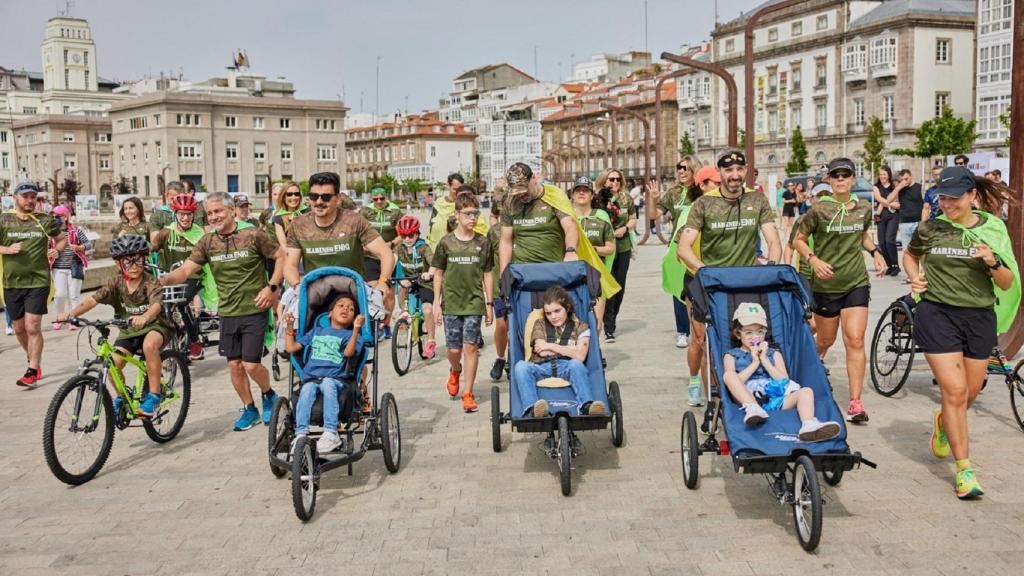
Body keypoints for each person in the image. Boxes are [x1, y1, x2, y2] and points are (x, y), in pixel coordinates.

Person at [902, 167, 1019, 499]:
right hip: (936, 313)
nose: (948, 204)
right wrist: (914, 277)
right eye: (943, 197)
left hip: (979, 316)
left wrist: (992, 261)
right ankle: (965, 470)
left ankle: (944, 423)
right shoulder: (931, 227)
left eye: (954, 198)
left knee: (969, 393)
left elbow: (1007, 282)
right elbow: (910, 255)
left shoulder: (993, 229)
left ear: (972, 196)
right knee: (953, 391)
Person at [160, 192, 285, 432]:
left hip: (254, 308)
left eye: (218, 211)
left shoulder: (253, 235)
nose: (214, 216)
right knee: (234, 365)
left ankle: (268, 394)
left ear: (231, 211)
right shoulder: (208, 242)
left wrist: (272, 287)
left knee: (250, 365)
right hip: (227, 311)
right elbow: (185, 270)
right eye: (210, 213)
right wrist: (164, 280)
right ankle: (250, 409)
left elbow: (280, 256)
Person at [678, 150, 782, 407]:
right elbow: (684, 248)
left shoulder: (756, 199)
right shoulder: (704, 204)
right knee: (706, 342)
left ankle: (747, 393)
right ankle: (714, 401)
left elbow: (773, 241)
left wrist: (771, 267)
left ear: (745, 170)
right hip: (713, 284)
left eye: (739, 169)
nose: (734, 175)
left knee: (748, 339)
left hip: (746, 282)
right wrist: (705, 271)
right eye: (728, 170)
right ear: (720, 173)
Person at [792, 158, 887, 424]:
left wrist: (875, 252)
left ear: (854, 179)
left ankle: (855, 402)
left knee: (855, 339)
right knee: (825, 339)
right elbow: (798, 240)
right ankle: (808, 367)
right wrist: (813, 260)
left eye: (846, 175)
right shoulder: (818, 209)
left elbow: (862, 235)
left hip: (856, 282)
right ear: (829, 180)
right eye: (836, 175)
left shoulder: (864, 207)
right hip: (825, 285)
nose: (841, 179)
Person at [56, 235, 170, 417]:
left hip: (156, 325)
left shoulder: (150, 281)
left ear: (144, 259)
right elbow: (92, 300)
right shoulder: (115, 283)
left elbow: (156, 304)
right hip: (129, 331)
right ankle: (122, 398)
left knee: (149, 346)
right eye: (128, 262)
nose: (134, 266)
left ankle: (154, 396)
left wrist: (145, 316)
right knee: (111, 366)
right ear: (118, 264)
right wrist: (71, 314)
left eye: (138, 260)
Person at [722, 302, 841, 442]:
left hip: (775, 399)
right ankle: (753, 407)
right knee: (729, 375)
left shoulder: (773, 354)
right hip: (747, 399)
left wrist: (765, 360)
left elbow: (784, 381)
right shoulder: (732, 355)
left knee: (806, 391)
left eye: (760, 331)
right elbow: (733, 382)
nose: (755, 337)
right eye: (748, 332)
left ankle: (808, 424)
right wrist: (754, 363)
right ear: (738, 334)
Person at [432, 192, 494, 413]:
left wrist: (489, 304)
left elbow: (488, 273)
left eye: (476, 213)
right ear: (457, 214)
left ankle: (468, 393)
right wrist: (436, 303)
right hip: (451, 302)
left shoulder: (483, 243)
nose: (473, 218)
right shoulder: (446, 243)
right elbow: (438, 273)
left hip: (474, 302)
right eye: (468, 214)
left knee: (471, 347)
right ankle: (455, 369)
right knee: (453, 349)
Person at [0, 181, 66, 386]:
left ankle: (32, 370)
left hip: (38, 281)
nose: (30, 200)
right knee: (19, 328)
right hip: (12, 282)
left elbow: (62, 239)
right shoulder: (4, 219)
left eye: (33, 197)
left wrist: (57, 250)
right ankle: (31, 357)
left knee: (32, 326)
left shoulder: (44, 219)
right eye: (25, 196)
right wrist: (7, 250)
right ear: (15, 198)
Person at [283, 172, 394, 291]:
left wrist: (383, 282)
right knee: (287, 302)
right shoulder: (298, 224)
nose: (319, 202)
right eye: (314, 196)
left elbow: (386, 254)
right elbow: (290, 266)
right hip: (315, 292)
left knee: (380, 299)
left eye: (326, 197)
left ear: (338, 199)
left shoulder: (355, 221)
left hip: (353, 290)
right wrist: (298, 286)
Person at [283, 295, 365, 453]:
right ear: (330, 313)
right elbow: (291, 348)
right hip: (312, 378)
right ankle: (301, 433)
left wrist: (356, 330)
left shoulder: (352, 336)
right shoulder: (317, 331)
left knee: (328, 383)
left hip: (336, 378)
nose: (346, 309)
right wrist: (290, 327)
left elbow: (348, 353)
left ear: (354, 317)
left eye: (351, 309)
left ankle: (331, 432)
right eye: (341, 305)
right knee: (306, 389)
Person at [513, 285, 604, 418]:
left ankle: (587, 405)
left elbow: (580, 356)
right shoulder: (540, 324)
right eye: (548, 313)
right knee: (520, 367)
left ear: (567, 308)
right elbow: (541, 351)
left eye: (557, 311)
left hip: (567, 366)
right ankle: (533, 409)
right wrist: (571, 349)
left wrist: (550, 346)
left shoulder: (581, 327)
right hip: (540, 366)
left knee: (576, 365)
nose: (553, 317)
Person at [150, 193, 207, 360]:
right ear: (175, 214)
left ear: (193, 215)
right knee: (159, 305)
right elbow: (150, 250)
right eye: (182, 214)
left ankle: (195, 341)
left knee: (181, 303)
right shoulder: (166, 233)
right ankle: (175, 331)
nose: (185, 218)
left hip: (193, 277)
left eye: (189, 214)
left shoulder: (200, 234)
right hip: (169, 276)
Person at [654, 158, 699, 348]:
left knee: (698, 287)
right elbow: (654, 215)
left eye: (685, 168)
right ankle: (683, 331)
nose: (681, 172)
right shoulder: (673, 193)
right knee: (678, 288)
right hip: (677, 245)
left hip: (700, 245)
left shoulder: (702, 191)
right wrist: (654, 198)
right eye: (679, 168)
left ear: (694, 170)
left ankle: (700, 328)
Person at [596, 168, 637, 343]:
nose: (615, 182)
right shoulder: (598, 198)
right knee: (608, 286)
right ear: (604, 181)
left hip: (623, 247)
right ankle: (609, 327)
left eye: (618, 179)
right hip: (605, 249)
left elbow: (633, 219)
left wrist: (625, 228)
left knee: (619, 287)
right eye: (611, 179)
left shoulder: (626, 198)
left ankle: (611, 317)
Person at [572, 176, 615, 338]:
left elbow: (610, 248)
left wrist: (592, 250)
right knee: (575, 322)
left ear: (591, 195)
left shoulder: (601, 216)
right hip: (573, 275)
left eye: (585, 190)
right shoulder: (567, 217)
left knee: (596, 323)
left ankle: (595, 351)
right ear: (573, 195)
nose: (581, 193)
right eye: (578, 190)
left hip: (597, 275)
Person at [394, 215, 437, 358]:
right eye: (403, 236)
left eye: (411, 235)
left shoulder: (423, 248)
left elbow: (434, 263)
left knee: (427, 310)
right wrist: (385, 276)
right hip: (410, 281)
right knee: (401, 287)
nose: (407, 239)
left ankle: (431, 341)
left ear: (417, 234)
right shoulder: (399, 248)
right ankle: (404, 314)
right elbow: (392, 260)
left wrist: (429, 273)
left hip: (425, 282)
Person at [49, 205, 91, 331]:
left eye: (57, 216)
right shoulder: (51, 233)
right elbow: (46, 248)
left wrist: (79, 247)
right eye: (53, 216)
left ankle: (73, 319)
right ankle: (60, 318)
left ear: (65, 217)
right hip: (58, 268)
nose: (55, 218)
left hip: (75, 266)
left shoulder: (76, 231)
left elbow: (88, 244)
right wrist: (50, 252)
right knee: (59, 295)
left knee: (74, 296)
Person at [360, 186, 403, 283]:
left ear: (386, 197)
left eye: (382, 198)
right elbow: (358, 232)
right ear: (371, 198)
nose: (379, 201)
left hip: (390, 255)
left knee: (387, 286)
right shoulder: (365, 211)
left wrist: (391, 244)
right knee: (372, 285)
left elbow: (402, 235)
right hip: (370, 256)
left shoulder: (395, 211)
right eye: (375, 199)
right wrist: (363, 246)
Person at [872, 166, 900, 276]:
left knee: (889, 241)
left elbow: (899, 203)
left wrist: (887, 204)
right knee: (882, 243)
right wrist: (890, 203)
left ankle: (895, 265)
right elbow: (879, 199)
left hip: (893, 215)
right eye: (880, 174)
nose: (882, 176)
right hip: (881, 216)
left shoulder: (894, 186)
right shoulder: (876, 187)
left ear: (889, 175)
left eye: (884, 174)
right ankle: (889, 265)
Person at [895, 168, 924, 272]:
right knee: (907, 252)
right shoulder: (900, 189)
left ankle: (922, 272)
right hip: (904, 223)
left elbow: (926, 205)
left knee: (920, 250)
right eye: (902, 180)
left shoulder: (919, 187)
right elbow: (888, 200)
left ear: (911, 176)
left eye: (906, 179)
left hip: (917, 222)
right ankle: (911, 275)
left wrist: (923, 221)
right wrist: (898, 187)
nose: (904, 181)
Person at [426, 173, 465, 249]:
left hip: (451, 248)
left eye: (460, 189)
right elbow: (431, 223)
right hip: (434, 246)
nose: (458, 192)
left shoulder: (463, 205)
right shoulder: (439, 202)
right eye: (455, 189)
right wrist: (428, 242)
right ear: (448, 186)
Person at [272, 181, 308, 250]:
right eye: (289, 194)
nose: (293, 197)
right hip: (292, 254)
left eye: (296, 194)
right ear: (283, 197)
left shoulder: (309, 212)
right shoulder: (278, 218)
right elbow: (284, 246)